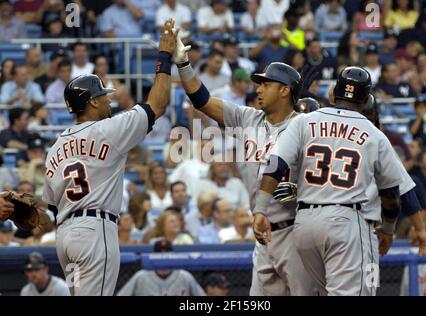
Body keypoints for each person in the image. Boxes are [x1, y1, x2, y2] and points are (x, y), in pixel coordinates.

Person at [42, 19, 178, 296]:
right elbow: (158, 104)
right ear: (91, 101)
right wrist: (164, 56)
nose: (108, 100)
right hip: (95, 230)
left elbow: (49, 208)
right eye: (103, 96)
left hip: (65, 237)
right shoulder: (109, 129)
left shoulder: (56, 146)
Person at [173, 37, 315, 295]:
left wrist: (299, 192)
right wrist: (184, 64)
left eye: (266, 84)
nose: (258, 89)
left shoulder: (306, 125)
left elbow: (323, 176)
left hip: (295, 229)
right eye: (259, 84)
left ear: (285, 90)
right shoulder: (247, 118)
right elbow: (202, 100)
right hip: (262, 234)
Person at [253, 66, 406, 296]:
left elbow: (275, 165)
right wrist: (389, 229)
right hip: (346, 223)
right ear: (365, 100)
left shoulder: (304, 121)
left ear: (334, 94)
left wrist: (260, 209)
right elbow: (392, 194)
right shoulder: (375, 135)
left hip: (304, 226)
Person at [117, 239, 205, 296]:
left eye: (167, 252)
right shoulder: (141, 277)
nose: (163, 255)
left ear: (173, 255)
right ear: (153, 255)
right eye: (160, 252)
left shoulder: (185, 277)